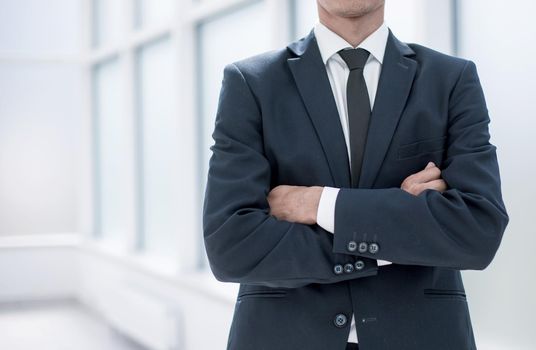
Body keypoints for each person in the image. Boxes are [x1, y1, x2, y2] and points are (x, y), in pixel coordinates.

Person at [202, 0, 509, 349]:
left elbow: (478, 230)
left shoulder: (451, 80)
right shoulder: (252, 84)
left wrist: (320, 204)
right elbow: (231, 247)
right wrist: (396, 219)